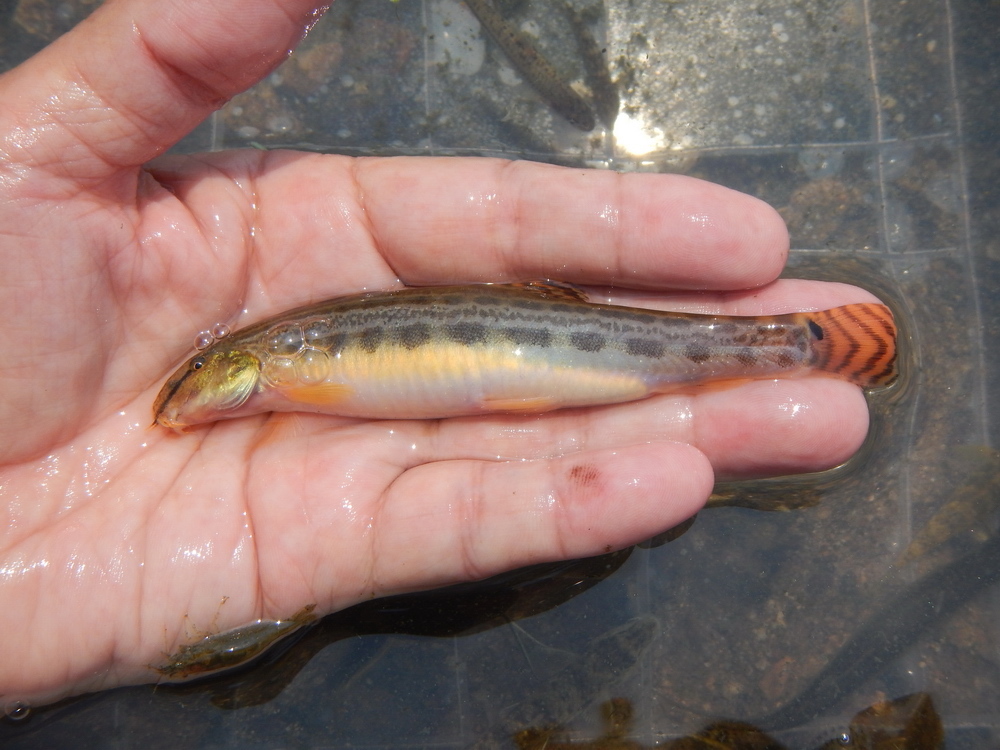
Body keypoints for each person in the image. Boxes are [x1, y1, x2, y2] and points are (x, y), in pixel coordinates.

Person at [0, 0, 880, 708]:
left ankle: (808, 347)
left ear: (234, 367)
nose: (189, 391)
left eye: (195, 378)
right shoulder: (276, 365)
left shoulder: (284, 361)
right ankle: (812, 348)